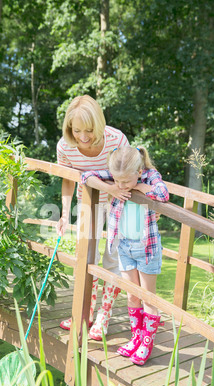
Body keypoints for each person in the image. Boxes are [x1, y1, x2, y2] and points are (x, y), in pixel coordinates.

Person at [81, 146, 169, 365]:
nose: (121, 185)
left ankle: (147, 343)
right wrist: (109, 188)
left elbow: (163, 194)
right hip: (125, 247)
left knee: (148, 297)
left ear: (139, 171)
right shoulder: (117, 176)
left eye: (125, 182)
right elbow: (86, 176)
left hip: (146, 248)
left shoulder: (149, 176)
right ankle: (136, 339)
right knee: (132, 295)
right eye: (117, 181)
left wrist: (139, 187)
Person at [56, 95, 130, 340]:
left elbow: (128, 174)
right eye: (77, 130)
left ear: (98, 125)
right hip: (88, 201)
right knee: (86, 257)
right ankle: (84, 313)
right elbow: (67, 180)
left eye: (89, 130)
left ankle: (103, 318)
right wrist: (65, 214)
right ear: (69, 127)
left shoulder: (117, 140)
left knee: (114, 258)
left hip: (119, 202)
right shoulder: (65, 147)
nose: (83, 137)